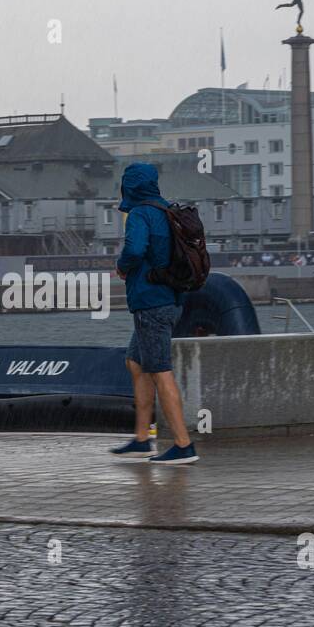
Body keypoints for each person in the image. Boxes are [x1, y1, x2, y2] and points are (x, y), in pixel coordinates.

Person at [108, 162, 198, 465]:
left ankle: (184, 445)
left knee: (159, 370)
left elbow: (134, 250)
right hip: (170, 300)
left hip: (150, 303)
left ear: (129, 186)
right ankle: (143, 439)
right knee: (136, 363)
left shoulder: (139, 214)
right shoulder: (166, 210)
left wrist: (121, 267)